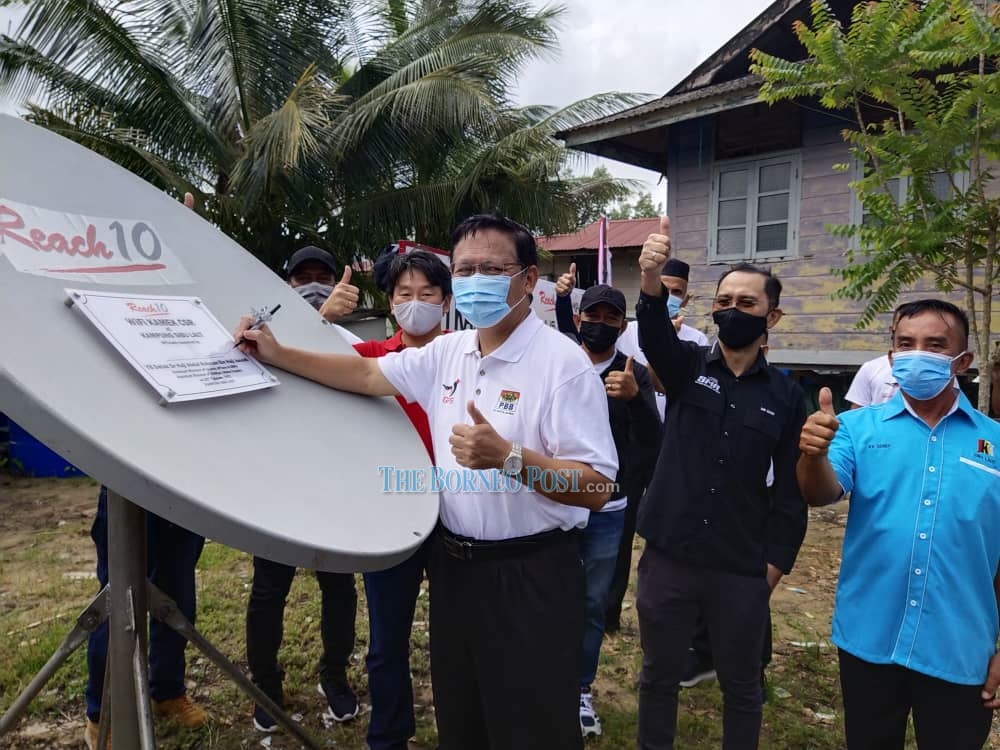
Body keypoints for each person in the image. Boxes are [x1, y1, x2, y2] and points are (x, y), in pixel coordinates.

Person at [234, 213, 619, 750]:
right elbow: (368, 374)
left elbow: (597, 486)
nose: (475, 280)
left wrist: (510, 458)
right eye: (465, 270)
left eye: (491, 268)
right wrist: (277, 354)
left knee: (530, 721)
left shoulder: (562, 365)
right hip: (455, 567)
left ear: (529, 280)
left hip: (531, 574)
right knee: (463, 713)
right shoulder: (448, 352)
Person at [633, 217, 808, 750]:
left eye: (747, 303)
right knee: (659, 675)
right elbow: (653, 335)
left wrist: (773, 569)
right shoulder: (687, 367)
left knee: (741, 683)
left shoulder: (785, 395)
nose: (732, 310)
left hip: (740, 564)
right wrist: (649, 278)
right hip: (670, 555)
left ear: (771, 316)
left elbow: (790, 492)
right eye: (724, 300)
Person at [797, 298, 1000, 750]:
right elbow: (820, 493)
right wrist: (812, 455)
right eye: (905, 343)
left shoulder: (995, 443)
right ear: (891, 357)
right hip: (869, 638)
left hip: (959, 646)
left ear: (961, 361)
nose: (916, 354)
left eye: (935, 344)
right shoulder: (855, 428)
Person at [246, 245, 362, 732]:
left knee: (339, 586)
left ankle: (334, 674)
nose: (313, 284)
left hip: (335, 484)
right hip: (279, 484)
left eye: (322, 276)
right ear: (285, 285)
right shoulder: (258, 330)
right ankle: (266, 686)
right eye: (302, 278)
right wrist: (309, 321)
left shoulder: (347, 341)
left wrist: (322, 327)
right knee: (269, 591)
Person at [350, 247, 451, 750]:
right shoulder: (370, 358)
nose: (416, 304)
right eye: (404, 294)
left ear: (446, 302)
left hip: (459, 513)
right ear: (391, 304)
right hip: (392, 510)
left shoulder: (467, 354)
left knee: (457, 636)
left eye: (427, 294)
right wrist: (318, 321)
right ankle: (388, 736)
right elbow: (310, 366)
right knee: (387, 640)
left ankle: (465, 724)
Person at [559, 284, 660, 737]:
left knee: (592, 602)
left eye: (610, 318)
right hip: (556, 502)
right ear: (578, 320)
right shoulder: (558, 363)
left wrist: (636, 400)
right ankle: (543, 682)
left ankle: (579, 689)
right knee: (545, 595)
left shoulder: (631, 372)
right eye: (592, 316)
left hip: (609, 509)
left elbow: (654, 442)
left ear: (622, 325)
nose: (600, 324)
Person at [84, 487, 208, 749]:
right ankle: (101, 717)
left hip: (183, 493)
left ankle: (167, 693)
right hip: (127, 491)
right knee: (116, 602)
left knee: (177, 599)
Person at [615, 257, 710, 419]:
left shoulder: (697, 340)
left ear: (685, 300)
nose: (669, 296)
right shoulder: (626, 332)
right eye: (664, 289)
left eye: (677, 292)